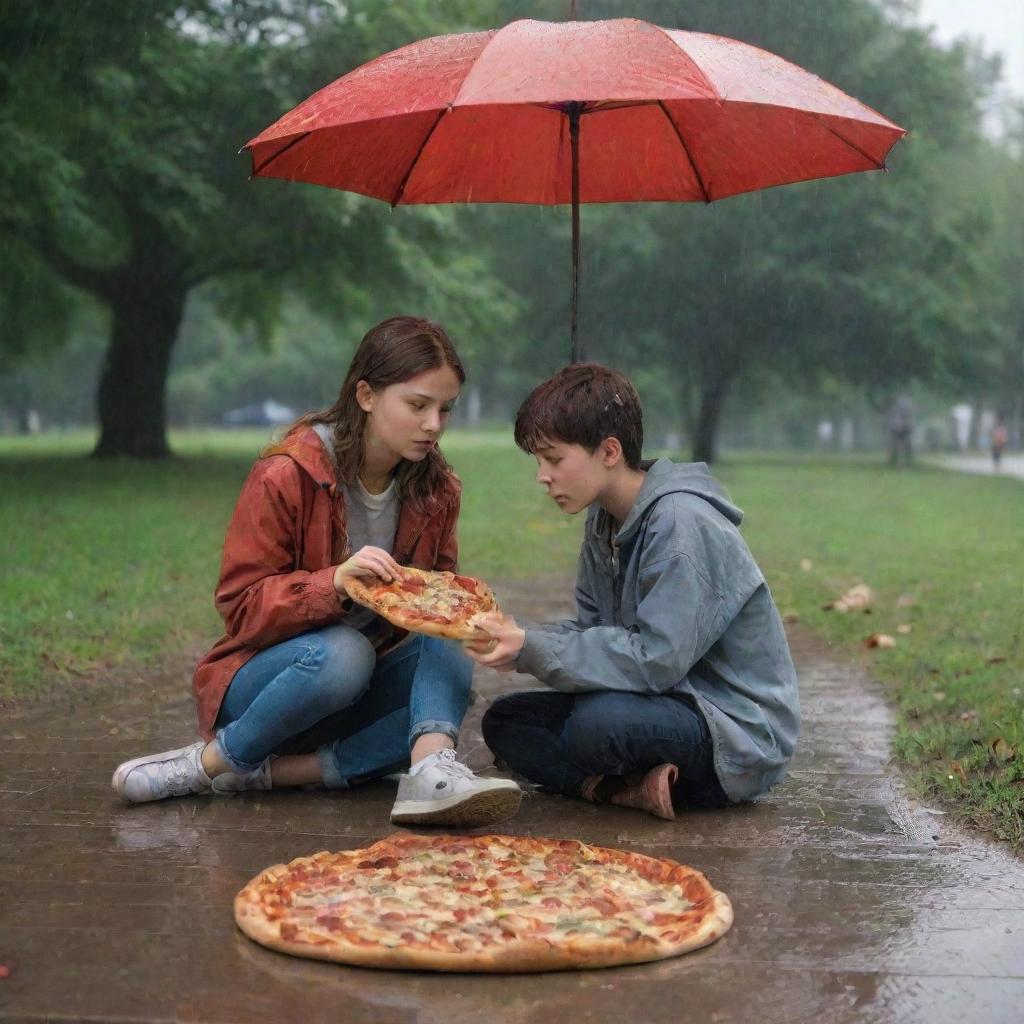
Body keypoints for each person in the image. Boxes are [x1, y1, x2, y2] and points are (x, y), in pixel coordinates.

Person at [112, 316, 521, 827]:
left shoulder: (438, 489)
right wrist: (333, 585)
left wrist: (469, 621)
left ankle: (426, 774)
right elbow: (240, 608)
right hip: (274, 687)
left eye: (445, 410)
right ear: (366, 395)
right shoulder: (287, 473)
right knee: (346, 654)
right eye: (418, 405)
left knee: (452, 645)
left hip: (359, 692)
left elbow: (435, 598)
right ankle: (210, 763)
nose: (434, 425)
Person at [468, 364, 799, 820]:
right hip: (661, 700)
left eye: (554, 459)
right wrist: (519, 637)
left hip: (732, 727)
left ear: (609, 451)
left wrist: (534, 648)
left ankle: (617, 778)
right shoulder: (604, 519)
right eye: (538, 461)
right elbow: (594, 632)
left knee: (596, 725)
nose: (542, 476)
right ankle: (621, 790)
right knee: (505, 722)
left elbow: (657, 660)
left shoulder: (681, 524)